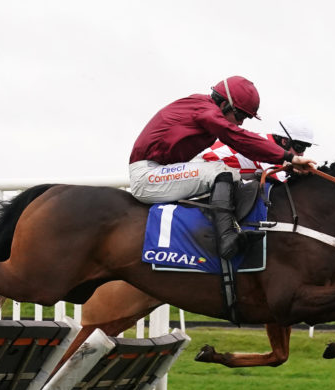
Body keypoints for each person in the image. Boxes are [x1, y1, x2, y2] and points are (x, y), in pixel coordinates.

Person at [129, 76, 317, 259]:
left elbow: (240, 140)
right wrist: (289, 158)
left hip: (162, 170)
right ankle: (227, 238)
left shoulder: (202, 107)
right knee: (223, 171)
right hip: (147, 176)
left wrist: (287, 161)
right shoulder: (205, 110)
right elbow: (236, 137)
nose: (241, 122)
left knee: (230, 176)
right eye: (240, 115)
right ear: (225, 104)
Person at [199, 116, 315, 182]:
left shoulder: (268, 142)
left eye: (305, 147)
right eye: (299, 147)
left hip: (214, 171)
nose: (302, 153)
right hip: (203, 168)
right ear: (284, 141)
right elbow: (281, 181)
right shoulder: (268, 148)